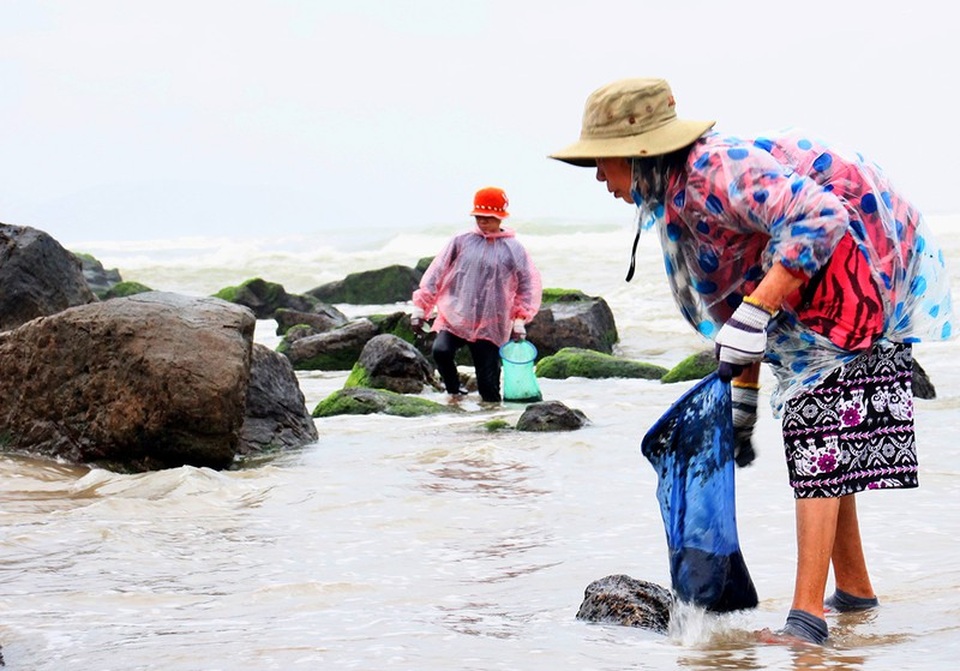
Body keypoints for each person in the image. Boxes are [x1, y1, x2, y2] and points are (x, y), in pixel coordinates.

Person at [550, 77, 954, 644]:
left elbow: (820, 217)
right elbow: (738, 290)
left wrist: (760, 310)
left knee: (819, 441)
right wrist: (743, 398)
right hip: (821, 293)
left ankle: (806, 621)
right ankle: (855, 591)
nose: (597, 177)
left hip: (860, 278)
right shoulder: (674, 196)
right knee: (825, 439)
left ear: (639, 153)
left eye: (601, 161)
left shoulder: (714, 171)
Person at [411, 186, 542, 403]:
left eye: (488, 218)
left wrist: (519, 320)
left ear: (500, 218)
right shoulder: (461, 241)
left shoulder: (513, 248)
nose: (482, 222)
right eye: (479, 217)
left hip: (491, 324)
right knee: (441, 351)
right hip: (457, 317)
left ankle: (491, 427)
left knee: (488, 389)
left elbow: (527, 285)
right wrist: (420, 309)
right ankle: (454, 392)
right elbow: (437, 273)